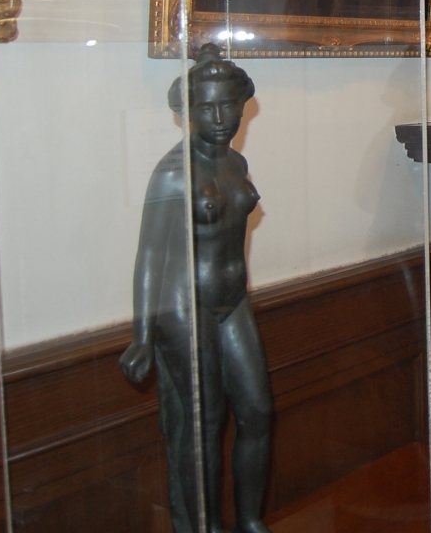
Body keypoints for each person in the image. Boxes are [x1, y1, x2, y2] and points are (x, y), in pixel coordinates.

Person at [120, 43, 272, 533]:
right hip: (186, 305)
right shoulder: (173, 173)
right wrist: (142, 335)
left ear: (242, 104)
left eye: (229, 105)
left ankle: (249, 521)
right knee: (202, 426)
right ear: (187, 111)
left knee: (257, 412)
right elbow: (150, 255)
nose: (220, 118)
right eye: (207, 108)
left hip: (234, 299)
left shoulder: (236, 164)